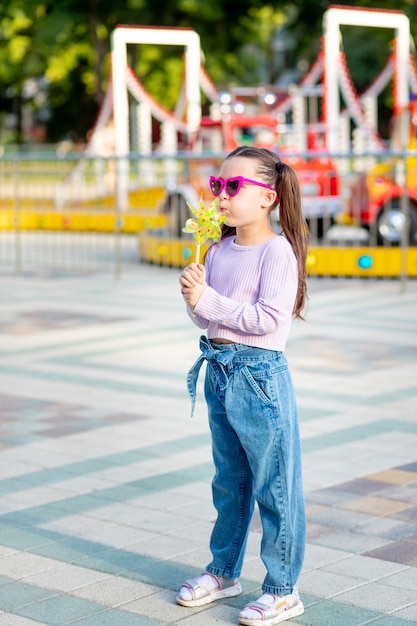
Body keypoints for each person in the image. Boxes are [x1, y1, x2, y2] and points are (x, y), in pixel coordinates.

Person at [177, 145, 308, 626]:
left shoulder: (278, 252)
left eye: (234, 187)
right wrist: (194, 295)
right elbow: (206, 320)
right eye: (218, 186)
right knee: (230, 481)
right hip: (219, 371)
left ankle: (281, 588)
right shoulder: (216, 249)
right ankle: (223, 570)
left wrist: (209, 300)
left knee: (275, 485)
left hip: (259, 375)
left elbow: (268, 318)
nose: (222, 196)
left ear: (269, 197)